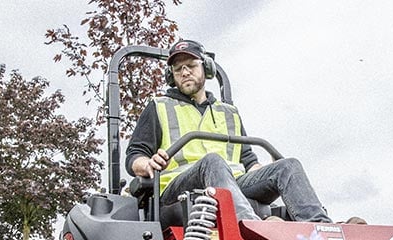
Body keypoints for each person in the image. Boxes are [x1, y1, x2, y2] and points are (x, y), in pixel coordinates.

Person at [125, 39, 333, 223]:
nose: (185, 72)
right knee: (212, 161)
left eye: (191, 65)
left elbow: (248, 160)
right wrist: (147, 164)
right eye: (178, 69)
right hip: (177, 192)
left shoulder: (229, 112)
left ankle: (320, 230)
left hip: (232, 185)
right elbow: (135, 155)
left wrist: (264, 171)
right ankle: (249, 226)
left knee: (287, 166)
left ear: (206, 68)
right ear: (172, 76)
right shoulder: (160, 107)